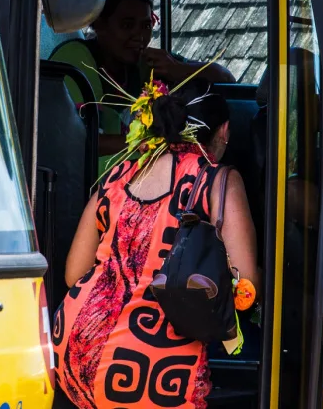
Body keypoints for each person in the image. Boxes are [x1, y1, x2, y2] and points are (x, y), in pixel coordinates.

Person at [53, 81, 259, 409]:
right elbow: (245, 287)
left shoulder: (118, 174)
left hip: (73, 352)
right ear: (225, 132)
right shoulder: (216, 180)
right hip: (150, 366)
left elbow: (73, 273)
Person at [50, 0, 235, 171]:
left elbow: (225, 78)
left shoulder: (145, 63)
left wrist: (178, 69)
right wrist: (153, 141)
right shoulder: (77, 58)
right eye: (127, 25)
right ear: (99, 24)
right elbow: (79, 141)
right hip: (85, 175)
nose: (139, 36)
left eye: (146, 26)